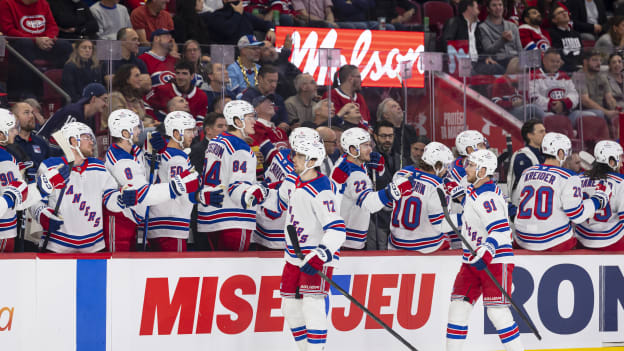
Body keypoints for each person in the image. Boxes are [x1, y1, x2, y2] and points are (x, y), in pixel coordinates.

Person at [445, 149, 524, 351]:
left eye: (471, 165)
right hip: (471, 262)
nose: (466, 168)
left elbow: (500, 229)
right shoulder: (476, 191)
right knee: (458, 309)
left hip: (495, 261)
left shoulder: (488, 195)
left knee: (497, 313)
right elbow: (473, 215)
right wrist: (456, 193)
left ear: (482, 170)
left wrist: (487, 252)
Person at [103, 109, 200, 252]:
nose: (139, 131)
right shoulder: (121, 162)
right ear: (125, 133)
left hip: (132, 221)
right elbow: (143, 194)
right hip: (119, 222)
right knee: (118, 267)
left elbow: (148, 173)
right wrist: (176, 187)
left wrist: (159, 152)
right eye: (135, 128)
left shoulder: (133, 151)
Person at [280, 139, 345, 351]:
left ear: (312, 160)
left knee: (312, 306)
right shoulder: (299, 182)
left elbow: (337, 230)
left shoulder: (322, 190)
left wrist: (320, 255)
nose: (294, 160)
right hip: (294, 255)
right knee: (289, 306)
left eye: (298, 156)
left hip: (314, 255)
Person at [32, 122, 129, 253]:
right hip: (57, 246)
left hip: (94, 246)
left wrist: (122, 199)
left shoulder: (99, 167)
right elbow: (36, 201)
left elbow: (109, 197)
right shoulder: (49, 166)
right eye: (87, 138)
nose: (91, 142)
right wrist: (43, 216)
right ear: (73, 141)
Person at [513, 132, 609, 251]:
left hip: (522, 239)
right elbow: (577, 215)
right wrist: (597, 200)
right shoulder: (569, 177)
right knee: (579, 236)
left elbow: (517, 202)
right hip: (553, 242)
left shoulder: (526, 172)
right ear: (560, 153)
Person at [197, 100, 268, 251]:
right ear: (237, 121)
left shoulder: (215, 141)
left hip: (210, 216)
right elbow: (238, 188)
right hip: (234, 218)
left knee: (218, 270)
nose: (254, 121)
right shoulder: (240, 147)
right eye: (250, 117)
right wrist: (260, 191)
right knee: (235, 269)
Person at [330, 127, 412, 249]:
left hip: (342, 237)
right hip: (347, 243)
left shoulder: (346, 162)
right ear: (353, 149)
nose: (370, 149)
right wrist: (393, 190)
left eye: (369, 144)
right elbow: (369, 204)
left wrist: (378, 170)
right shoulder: (355, 175)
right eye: (365, 146)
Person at [147, 111, 216, 251]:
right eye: (189, 131)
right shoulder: (177, 158)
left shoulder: (165, 154)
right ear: (176, 134)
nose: (193, 135)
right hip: (170, 226)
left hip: (160, 223)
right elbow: (182, 191)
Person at [0, 0, 73, 100]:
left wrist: (49, 38)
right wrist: (35, 40)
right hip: (19, 46)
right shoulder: (6, 3)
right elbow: (8, 30)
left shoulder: (43, 3)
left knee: (64, 46)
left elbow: (52, 26)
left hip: (43, 44)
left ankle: (61, 91)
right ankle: (26, 93)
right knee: (25, 44)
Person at [389, 142, 454, 252]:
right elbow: (440, 223)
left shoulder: (400, 174)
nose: (446, 170)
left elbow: (389, 204)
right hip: (425, 247)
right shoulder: (438, 186)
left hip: (395, 243)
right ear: (437, 166)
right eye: (445, 166)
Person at [576, 140, 624, 250]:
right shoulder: (621, 182)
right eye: (619, 158)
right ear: (611, 162)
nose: (621, 163)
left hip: (582, 241)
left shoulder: (578, 179)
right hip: (614, 242)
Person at [442, 0, 505, 76]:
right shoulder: (454, 22)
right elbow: (447, 45)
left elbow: (480, 47)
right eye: (476, 7)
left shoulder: (478, 26)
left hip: (477, 63)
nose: (478, 10)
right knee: (472, 74)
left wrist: (486, 57)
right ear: (469, 8)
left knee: (499, 68)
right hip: (461, 64)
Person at [0, 109, 30, 253]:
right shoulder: (6, 159)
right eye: (11, 129)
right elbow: (18, 197)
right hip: (3, 231)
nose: (16, 133)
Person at [368, 120, 400, 250]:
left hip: (396, 219)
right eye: (383, 136)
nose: (387, 140)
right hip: (375, 218)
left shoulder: (399, 157)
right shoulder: (370, 159)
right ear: (375, 136)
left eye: (390, 136)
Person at [145, 60, 208, 125]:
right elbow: (145, 102)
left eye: (184, 73)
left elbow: (200, 120)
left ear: (192, 76)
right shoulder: (163, 89)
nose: (180, 77)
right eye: (177, 73)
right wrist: (154, 120)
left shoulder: (201, 95)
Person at [37, 83, 109, 140]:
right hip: (44, 149)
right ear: (93, 99)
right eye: (104, 99)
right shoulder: (74, 112)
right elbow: (59, 140)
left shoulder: (88, 116)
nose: (106, 104)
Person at [530, 48, 582, 119]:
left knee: (586, 115)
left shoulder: (564, 76)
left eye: (557, 62)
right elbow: (533, 98)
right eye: (552, 61)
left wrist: (563, 104)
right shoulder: (534, 76)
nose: (555, 64)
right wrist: (552, 105)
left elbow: (574, 94)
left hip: (566, 112)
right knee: (551, 117)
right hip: (545, 114)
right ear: (544, 61)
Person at [507, 119, 546, 207]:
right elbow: (528, 185)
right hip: (524, 206)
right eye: (541, 132)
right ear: (529, 136)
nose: (545, 135)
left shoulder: (545, 155)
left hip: (539, 205)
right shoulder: (523, 156)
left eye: (545, 131)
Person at [575, 50, 620, 125]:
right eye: (595, 60)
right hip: (582, 111)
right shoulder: (578, 76)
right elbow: (585, 101)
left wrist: (616, 110)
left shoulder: (601, 76)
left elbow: (609, 98)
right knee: (599, 114)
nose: (599, 63)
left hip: (601, 111)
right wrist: (607, 112)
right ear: (585, 62)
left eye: (600, 60)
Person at [241, 64, 290, 129]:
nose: (274, 85)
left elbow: (285, 120)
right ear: (260, 79)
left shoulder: (278, 99)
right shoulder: (249, 96)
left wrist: (284, 125)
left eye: (276, 81)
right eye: (270, 81)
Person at [479, 0, 522, 70]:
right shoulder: (483, 27)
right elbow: (488, 51)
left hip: (516, 59)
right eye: (494, 5)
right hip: (499, 61)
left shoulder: (512, 26)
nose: (498, 8)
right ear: (488, 9)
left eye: (500, 5)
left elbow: (520, 50)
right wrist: (502, 40)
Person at [376, 97, 417, 163]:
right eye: (393, 106)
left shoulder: (410, 130)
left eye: (398, 105)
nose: (399, 108)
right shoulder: (381, 132)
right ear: (386, 115)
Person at [549, 4, 583, 72]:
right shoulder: (552, 33)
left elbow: (582, 52)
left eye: (565, 11)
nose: (564, 13)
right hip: (564, 69)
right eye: (560, 13)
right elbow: (558, 54)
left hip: (580, 67)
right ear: (554, 20)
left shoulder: (576, 34)